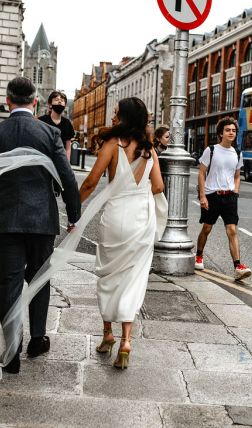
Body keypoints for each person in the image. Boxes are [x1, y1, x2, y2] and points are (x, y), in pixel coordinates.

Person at [0, 77, 81, 374]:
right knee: (39, 278)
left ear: (8, 101)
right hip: (40, 219)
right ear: (35, 102)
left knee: (9, 282)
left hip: (4, 220)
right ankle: (37, 339)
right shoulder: (48, 132)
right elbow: (67, 177)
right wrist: (73, 214)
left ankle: (11, 352)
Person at [78, 97, 165, 369]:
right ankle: (127, 340)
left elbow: (92, 181)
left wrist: (74, 208)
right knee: (133, 279)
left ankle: (108, 335)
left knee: (108, 275)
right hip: (141, 219)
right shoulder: (150, 151)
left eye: (116, 114)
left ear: (125, 117)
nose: (113, 118)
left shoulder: (112, 145)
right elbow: (159, 186)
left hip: (116, 218)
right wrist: (137, 194)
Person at [194, 117, 252, 281]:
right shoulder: (211, 150)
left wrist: (236, 191)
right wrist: (203, 196)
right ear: (221, 133)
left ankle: (238, 267)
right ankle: (199, 255)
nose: (231, 133)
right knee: (207, 228)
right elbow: (201, 173)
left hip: (230, 197)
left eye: (233, 130)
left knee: (232, 230)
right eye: (228, 130)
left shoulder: (237, 153)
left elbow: (237, 175)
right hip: (212, 196)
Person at [38, 91, 75, 160]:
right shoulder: (41, 121)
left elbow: (68, 148)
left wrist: (67, 165)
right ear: (50, 104)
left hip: (60, 160)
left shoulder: (67, 123)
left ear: (65, 105)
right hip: (44, 160)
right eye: (56, 100)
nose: (60, 102)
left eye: (62, 100)